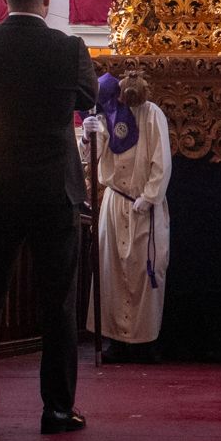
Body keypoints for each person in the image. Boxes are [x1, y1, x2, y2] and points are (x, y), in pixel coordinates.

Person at [0, 0, 98, 433]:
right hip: (50, 189)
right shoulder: (68, 49)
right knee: (56, 303)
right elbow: (89, 97)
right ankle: (57, 409)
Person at [82, 70, 171, 362]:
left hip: (144, 204)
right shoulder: (108, 113)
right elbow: (92, 155)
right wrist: (87, 134)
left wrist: (149, 196)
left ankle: (146, 341)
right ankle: (115, 341)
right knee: (111, 270)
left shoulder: (151, 114)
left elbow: (161, 160)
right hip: (114, 201)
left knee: (145, 270)